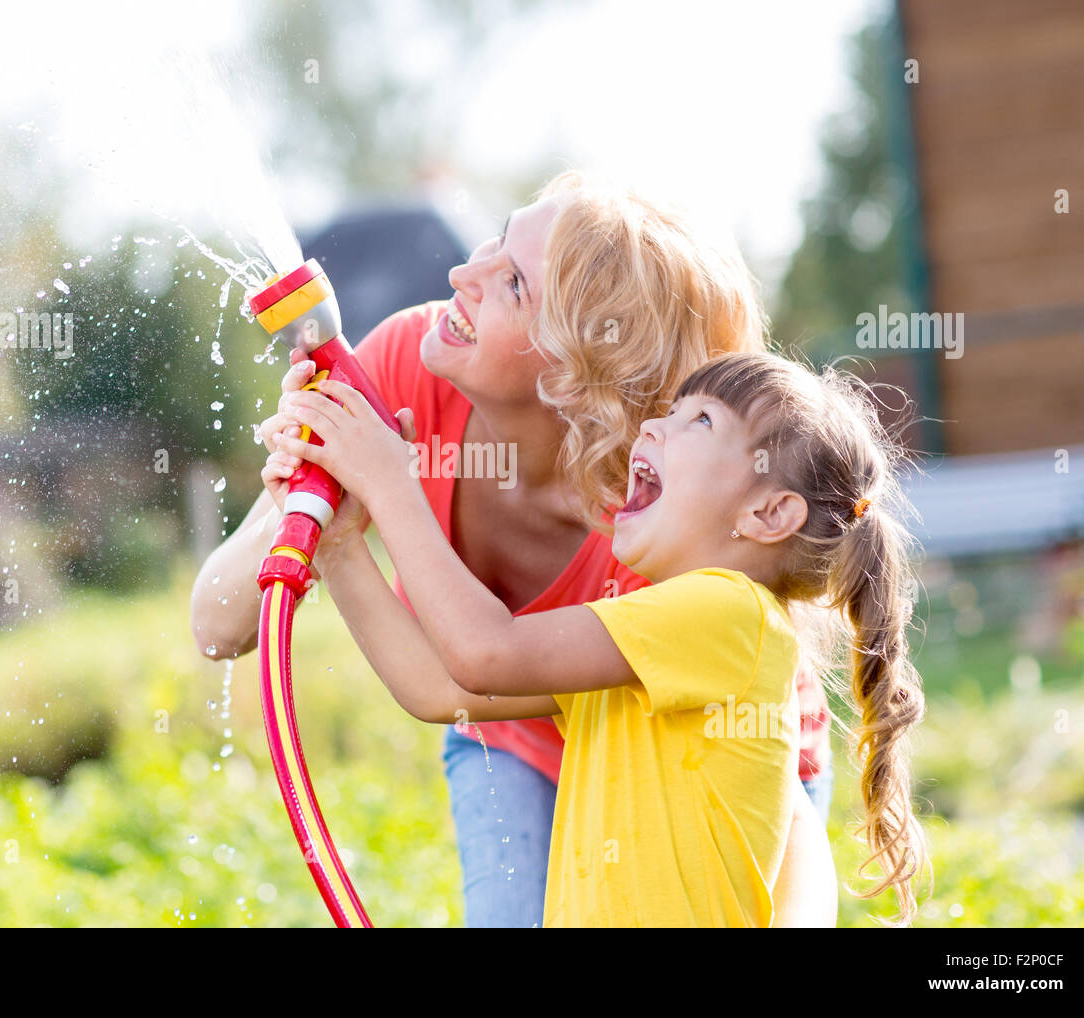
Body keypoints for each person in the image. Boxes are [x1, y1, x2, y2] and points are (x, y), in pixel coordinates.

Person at [190, 171, 836, 926]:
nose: (461, 273)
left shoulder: (666, 526)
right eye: (493, 243)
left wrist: (388, 483)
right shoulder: (409, 366)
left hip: (677, 769)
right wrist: (317, 500)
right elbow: (221, 626)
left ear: (579, 367)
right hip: (512, 739)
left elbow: (485, 659)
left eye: (514, 283)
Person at [264, 351, 927, 926]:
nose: (654, 428)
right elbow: (439, 688)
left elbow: (486, 652)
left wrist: (389, 483)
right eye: (669, 412)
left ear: (770, 512)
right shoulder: (648, 639)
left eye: (700, 422)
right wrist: (345, 545)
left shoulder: (733, 613)